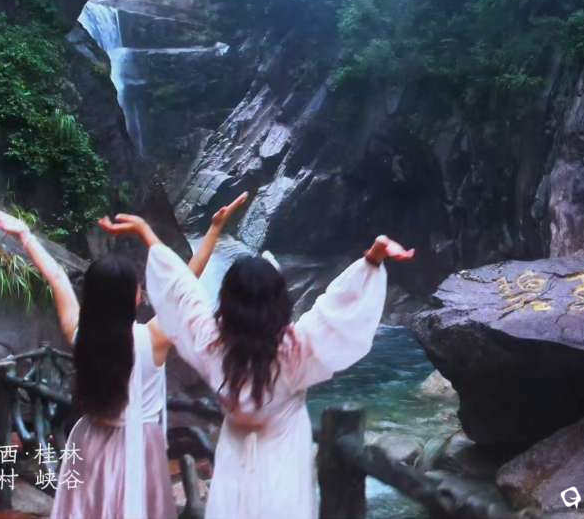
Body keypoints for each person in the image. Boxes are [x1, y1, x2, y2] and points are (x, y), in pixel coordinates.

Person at [98, 193, 414, 519]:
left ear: (226, 300)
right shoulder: (296, 351)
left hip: (234, 473)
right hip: (284, 473)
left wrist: (147, 234)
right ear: (279, 300)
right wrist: (373, 258)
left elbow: (182, 292)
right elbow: (335, 310)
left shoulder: (212, 345)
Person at [0, 198, 246, 519]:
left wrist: (25, 235)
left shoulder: (79, 332)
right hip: (140, 447)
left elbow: (56, 276)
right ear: (133, 297)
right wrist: (212, 231)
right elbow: (183, 285)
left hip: (91, 438)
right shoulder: (154, 338)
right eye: (138, 285)